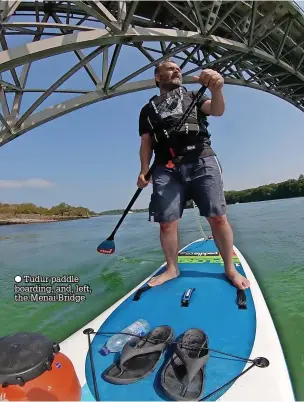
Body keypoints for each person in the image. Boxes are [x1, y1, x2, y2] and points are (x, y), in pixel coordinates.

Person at [137, 59, 250, 290]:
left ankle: (229, 268)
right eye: (170, 68)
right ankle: (172, 268)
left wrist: (216, 89)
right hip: (165, 168)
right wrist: (143, 170)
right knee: (166, 223)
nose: (177, 69)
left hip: (201, 160)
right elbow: (146, 144)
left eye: (178, 67)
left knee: (218, 217)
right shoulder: (147, 110)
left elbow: (217, 110)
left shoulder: (193, 96)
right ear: (158, 77)